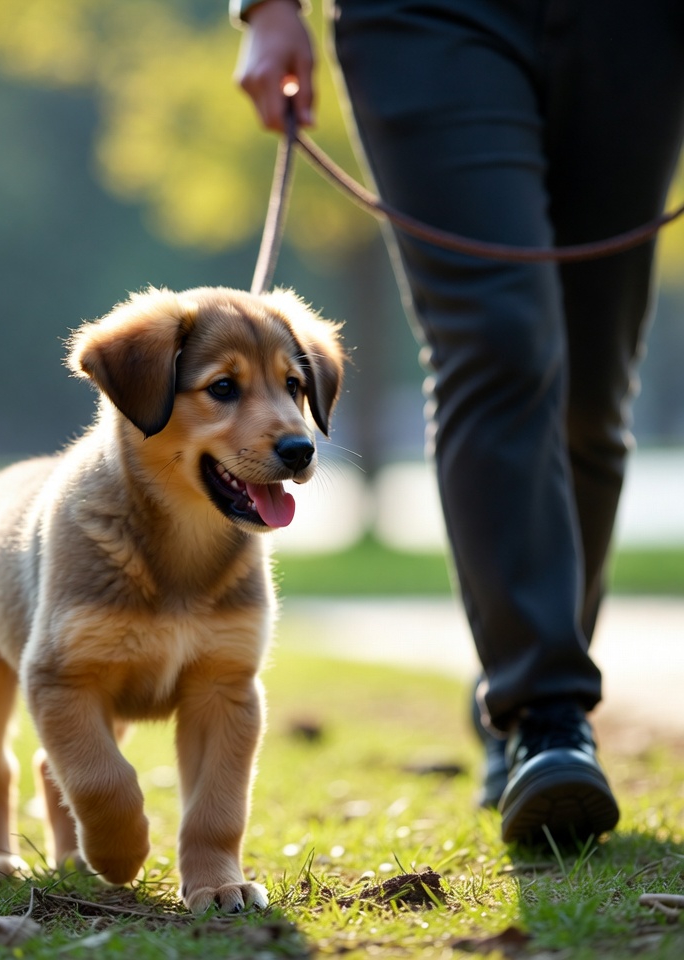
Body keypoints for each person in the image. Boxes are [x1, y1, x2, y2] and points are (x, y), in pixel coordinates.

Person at [232, 0, 684, 845]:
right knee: (502, 338)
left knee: (590, 386)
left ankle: (520, 696)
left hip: (632, 27)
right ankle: (544, 712)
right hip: (427, 19)